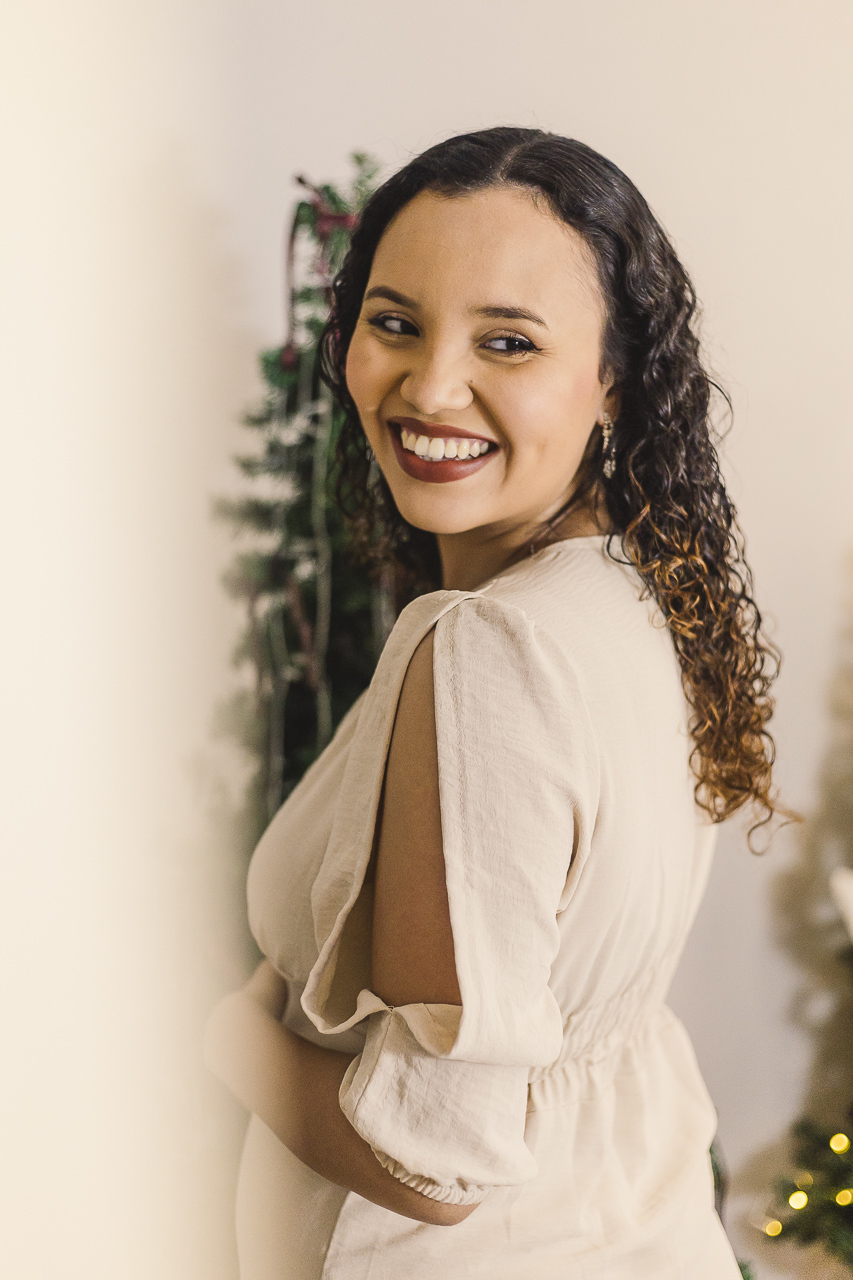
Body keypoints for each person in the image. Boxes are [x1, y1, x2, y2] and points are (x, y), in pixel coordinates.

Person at [205, 127, 789, 1278]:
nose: (428, 386)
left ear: (614, 377)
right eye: (392, 321)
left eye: (508, 340)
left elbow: (439, 1164)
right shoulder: (636, 584)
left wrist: (232, 1042)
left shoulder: (490, 649)